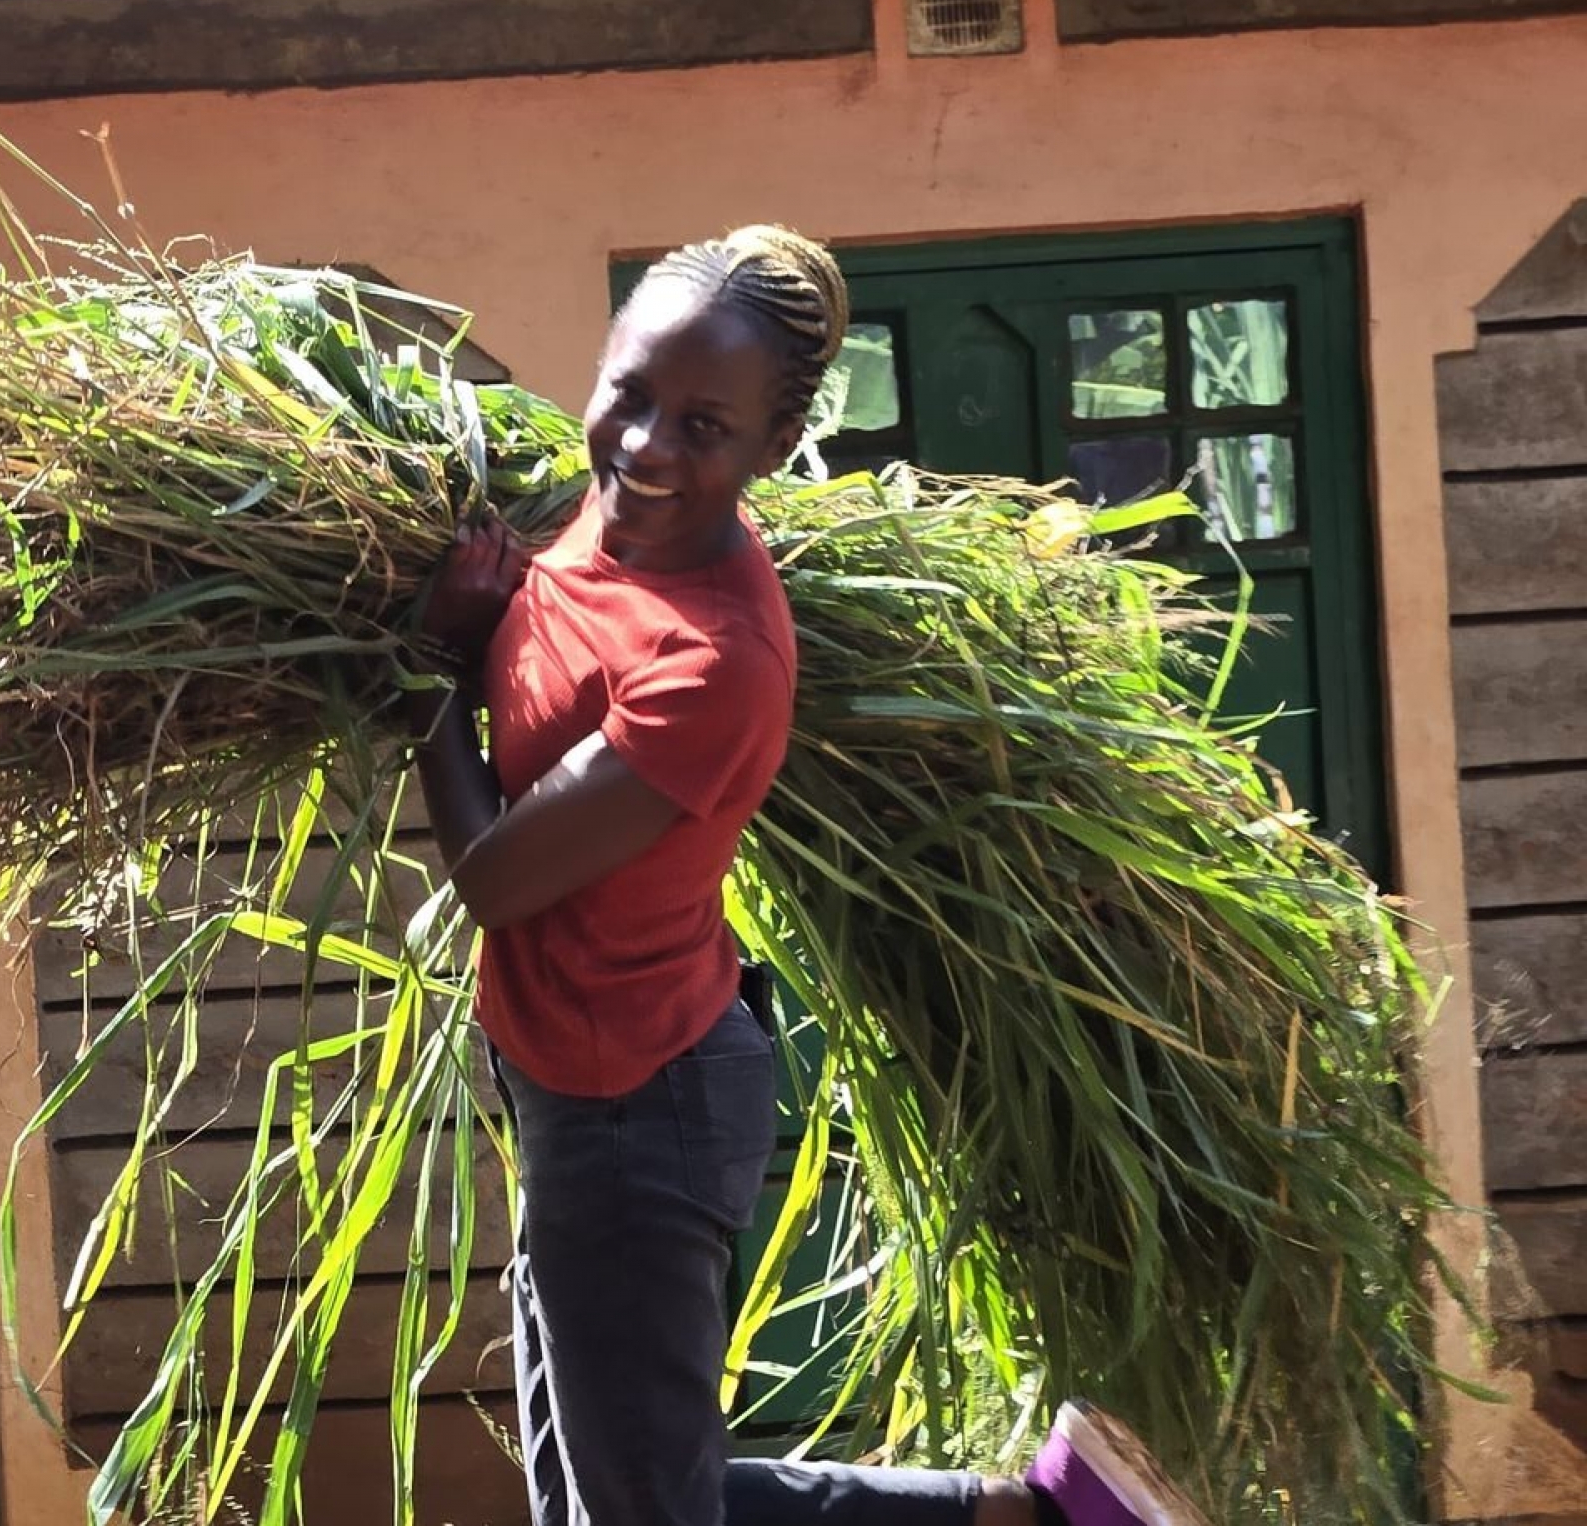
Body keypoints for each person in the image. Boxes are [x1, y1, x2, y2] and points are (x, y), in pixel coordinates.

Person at [412, 226, 1201, 1526]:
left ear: (770, 452)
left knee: (640, 1514)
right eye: (632, 393)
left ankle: (1035, 1516)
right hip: (568, 1080)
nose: (647, 445)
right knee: (609, 1508)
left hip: (639, 1104)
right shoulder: (588, 520)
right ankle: (1039, 1514)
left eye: (703, 426)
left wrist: (426, 669)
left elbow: (498, 880)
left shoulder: (719, 660)